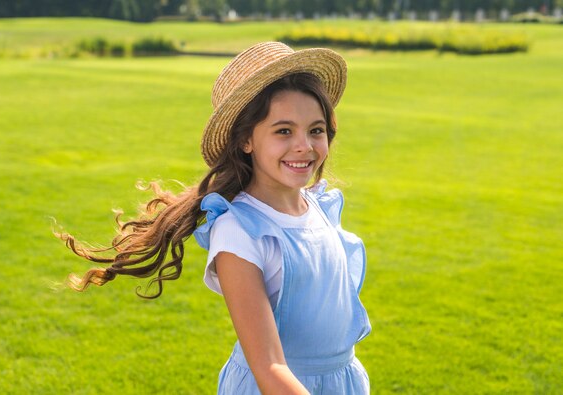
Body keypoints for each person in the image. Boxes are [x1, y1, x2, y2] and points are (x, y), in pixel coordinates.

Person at [56, 42, 372, 394]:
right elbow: (269, 366)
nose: (305, 145)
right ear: (245, 140)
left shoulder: (319, 207)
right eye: (284, 131)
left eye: (315, 130)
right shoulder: (240, 231)